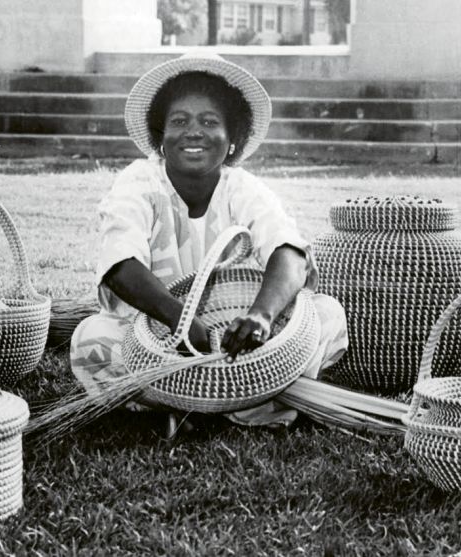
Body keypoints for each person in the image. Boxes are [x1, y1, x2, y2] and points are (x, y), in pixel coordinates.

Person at [70, 52, 348, 428]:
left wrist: (261, 316)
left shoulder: (243, 187)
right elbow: (120, 264)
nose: (194, 132)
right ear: (160, 137)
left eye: (210, 121)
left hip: (236, 342)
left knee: (327, 314)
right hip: (157, 338)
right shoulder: (139, 183)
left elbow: (288, 251)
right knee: (92, 338)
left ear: (232, 139)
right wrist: (182, 324)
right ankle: (247, 403)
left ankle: (189, 405)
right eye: (179, 121)